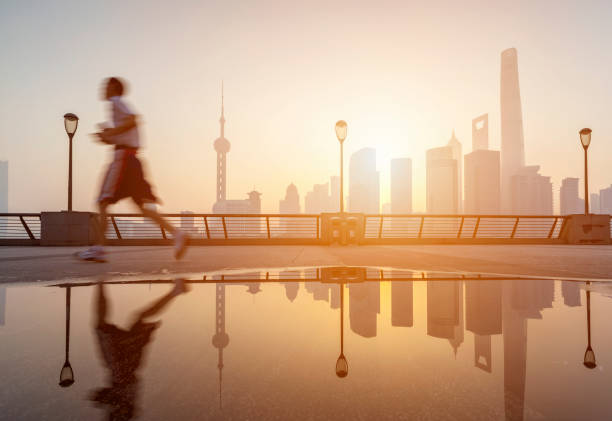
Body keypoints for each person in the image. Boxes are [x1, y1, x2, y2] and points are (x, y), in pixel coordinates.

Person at [76, 77, 188, 262]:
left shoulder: (116, 102)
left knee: (103, 202)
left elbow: (134, 120)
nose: (103, 88)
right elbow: (126, 130)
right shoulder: (117, 106)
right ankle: (177, 234)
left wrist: (110, 133)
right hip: (133, 160)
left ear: (114, 88)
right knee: (142, 208)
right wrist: (107, 137)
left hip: (123, 160)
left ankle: (98, 249)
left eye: (106, 86)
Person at [89, 279, 190, 420]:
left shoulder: (127, 409)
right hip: (121, 365)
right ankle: (100, 283)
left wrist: (102, 398)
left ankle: (175, 292)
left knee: (135, 320)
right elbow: (116, 398)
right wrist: (101, 398)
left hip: (127, 364)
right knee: (103, 326)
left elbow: (117, 398)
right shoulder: (124, 411)